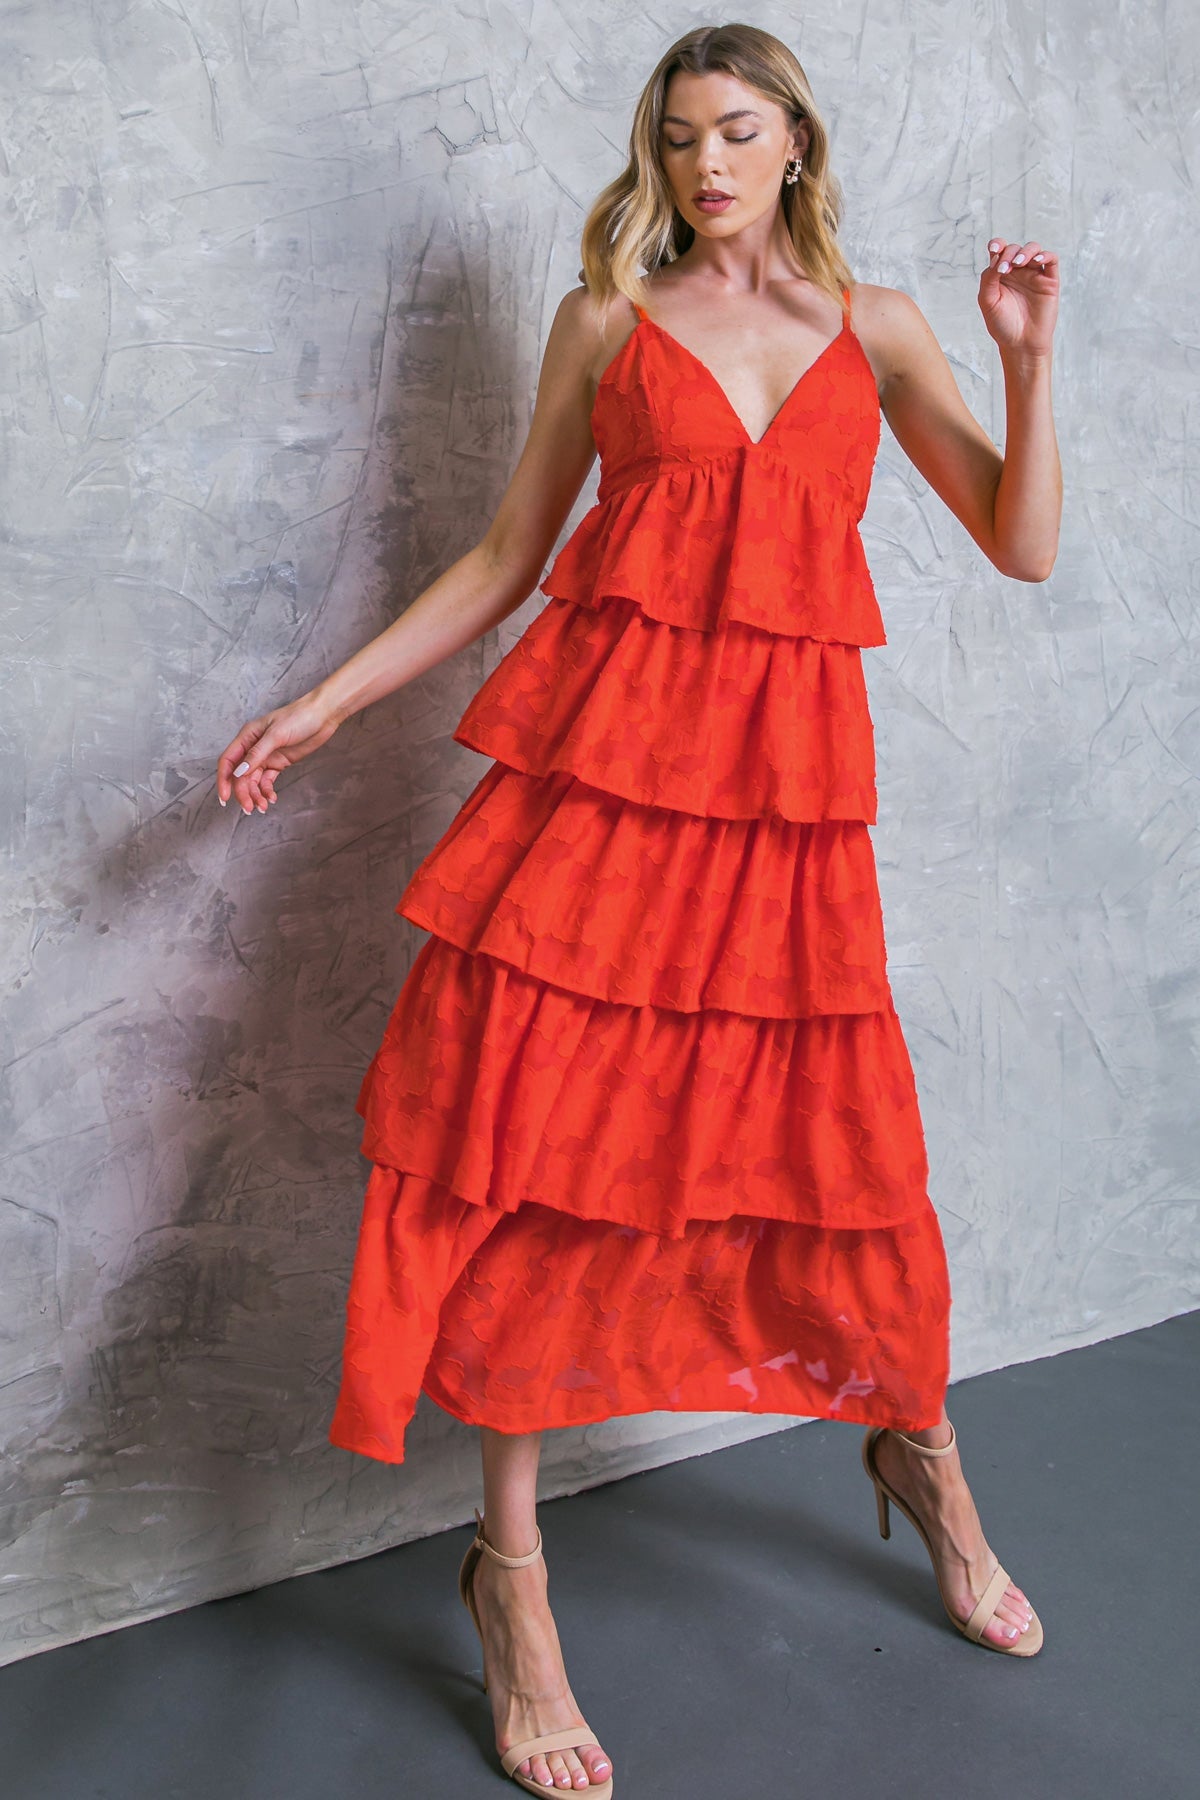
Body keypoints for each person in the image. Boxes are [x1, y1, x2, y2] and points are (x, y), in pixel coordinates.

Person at [215, 22, 1061, 1797]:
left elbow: (1023, 540)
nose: (705, 166)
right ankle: (513, 1589)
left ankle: (925, 1462)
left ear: (797, 142)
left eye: (737, 132)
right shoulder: (607, 324)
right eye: (678, 138)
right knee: (538, 1163)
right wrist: (327, 703)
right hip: (599, 819)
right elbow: (505, 560)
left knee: (839, 1155)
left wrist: (1028, 361)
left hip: (783, 829)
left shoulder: (883, 327)